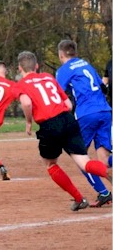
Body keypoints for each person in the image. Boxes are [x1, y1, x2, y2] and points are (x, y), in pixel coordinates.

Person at [15, 51, 111, 211]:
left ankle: (80, 199)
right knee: (84, 161)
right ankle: (108, 177)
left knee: (51, 164)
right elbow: (68, 104)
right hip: (68, 119)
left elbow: (26, 102)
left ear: (20, 68)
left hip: (50, 125)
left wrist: (29, 122)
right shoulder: (48, 77)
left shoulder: (21, 84)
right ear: (37, 66)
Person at [55, 40, 112, 207]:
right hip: (105, 111)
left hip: (87, 114)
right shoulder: (86, 65)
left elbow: (57, 93)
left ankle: (104, 193)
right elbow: (103, 87)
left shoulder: (64, 70)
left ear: (61, 54)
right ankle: (104, 193)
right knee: (103, 159)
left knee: (80, 157)